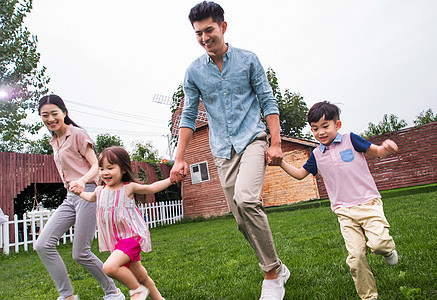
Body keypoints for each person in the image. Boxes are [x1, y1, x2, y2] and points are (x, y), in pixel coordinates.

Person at [169, 2, 289, 299]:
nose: (204, 37)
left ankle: (271, 275)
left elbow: (268, 102)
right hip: (222, 150)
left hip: (252, 140)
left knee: (247, 201)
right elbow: (187, 116)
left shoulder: (248, 60)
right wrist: (179, 157)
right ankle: (278, 266)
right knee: (240, 219)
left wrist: (275, 142)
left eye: (209, 30)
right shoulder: (194, 71)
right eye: (198, 33)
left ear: (223, 27)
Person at [280, 101, 399, 300]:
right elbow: (300, 174)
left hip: (368, 203)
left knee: (379, 245)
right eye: (315, 129)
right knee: (355, 258)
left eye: (325, 126)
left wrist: (386, 147)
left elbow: (376, 151)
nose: (320, 133)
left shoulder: (351, 140)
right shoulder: (317, 155)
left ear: (338, 125)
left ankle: (387, 251)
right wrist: (281, 162)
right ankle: (369, 296)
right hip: (344, 211)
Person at [34, 95, 125, 300]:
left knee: (80, 253)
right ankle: (67, 296)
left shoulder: (77, 134)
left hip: (89, 193)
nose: (50, 118)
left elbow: (96, 165)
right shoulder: (54, 141)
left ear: (64, 113)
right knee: (42, 244)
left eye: (54, 113)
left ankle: (113, 292)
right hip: (71, 197)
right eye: (45, 115)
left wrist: (83, 181)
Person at [74, 146, 172, 300]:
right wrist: (79, 192)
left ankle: (137, 291)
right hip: (118, 243)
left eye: (110, 168)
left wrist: (171, 179)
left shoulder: (128, 188)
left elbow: (151, 188)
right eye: (101, 168)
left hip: (131, 239)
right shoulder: (100, 191)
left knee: (109, 268)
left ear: (124, 169)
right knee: (142, 276)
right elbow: (90, 197)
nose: (105, 172)